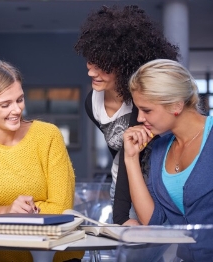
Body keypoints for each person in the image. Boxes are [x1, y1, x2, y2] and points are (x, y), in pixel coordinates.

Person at [0, 60, 81, 262]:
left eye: (20, 100)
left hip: (56, 257)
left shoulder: (48, 136)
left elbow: (61, 208)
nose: (17, 110)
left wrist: (5, 215)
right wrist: (9, 210)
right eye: (5, 104)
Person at [74, 5, 179, 225]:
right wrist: (121, 216)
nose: (91, 72)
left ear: (126, 64)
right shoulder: (92, 103)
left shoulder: (141, 103)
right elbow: (121, 156)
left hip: (158, 189)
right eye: (91, 61)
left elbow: (132, 156)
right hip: (123, 188)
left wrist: (120, 218)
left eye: (102, 66)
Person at [123, 59, 213, 261]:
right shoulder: (160, 147)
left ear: (176, 105)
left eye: (147, 110)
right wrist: (131, 158)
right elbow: (153, 221)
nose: (139, 118)